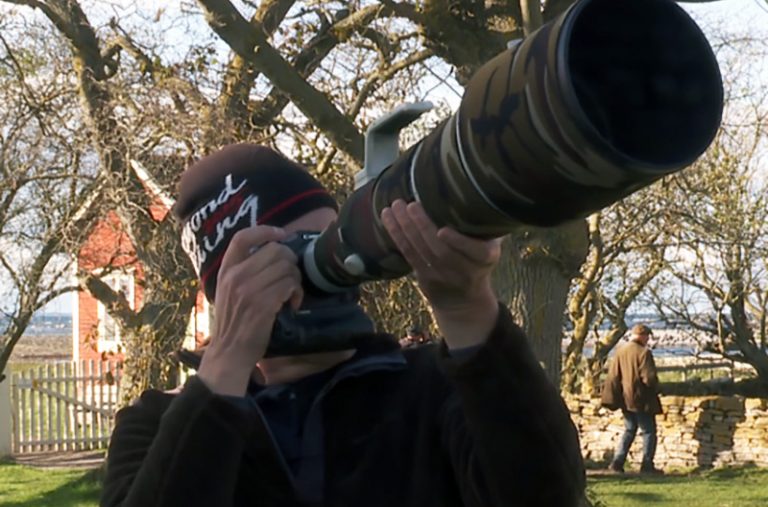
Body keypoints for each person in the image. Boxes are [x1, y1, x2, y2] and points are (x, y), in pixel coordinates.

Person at [101, 143, 585, 506]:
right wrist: (225, 364)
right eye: (292, 255)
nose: (327, 270)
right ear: (227, 286)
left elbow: (546, 494)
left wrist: (469, 312)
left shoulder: (432, 388)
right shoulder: (159, 424)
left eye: (332, 243)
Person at [602, 323, 663, 474]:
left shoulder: (620, 351)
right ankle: (647, 464)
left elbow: (614, 376)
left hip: (625, 399)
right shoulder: (644, 353)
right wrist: (657, 388)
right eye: (647, 336)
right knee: (649, 431)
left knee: (629, 430)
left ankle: (617, 462)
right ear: (642, 336)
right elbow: (649, 378)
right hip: (641, 399)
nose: (648, 339)